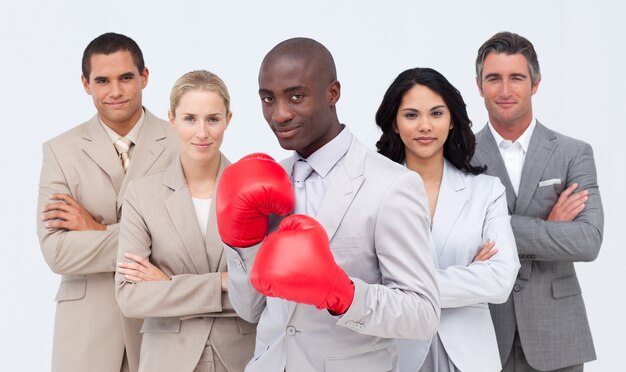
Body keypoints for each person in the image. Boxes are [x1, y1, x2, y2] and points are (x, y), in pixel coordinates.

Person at [216, 37, 440, 372]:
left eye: (296, 96)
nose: (279, 114)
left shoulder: (391, 185)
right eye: (268, 98)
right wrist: (243, 245)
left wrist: (344, 295)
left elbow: (422, 315)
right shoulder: (267, 181)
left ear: (332, 93)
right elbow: (250, 310)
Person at [36, 32, 178, 372]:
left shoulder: (181, 142)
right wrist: (145, 236)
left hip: (161, 327)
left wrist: (95, 228)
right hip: (85, 335)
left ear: (144, 77)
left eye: (126, 78)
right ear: (86, 84)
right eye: (103, 80)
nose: (115, 92)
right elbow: (57, 252)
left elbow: (193, 239)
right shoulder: (60, 150)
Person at [473, 31, 604, 372]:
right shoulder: (461, 156)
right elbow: (454, 236)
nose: (504, 91)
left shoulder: (573, 152)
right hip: (481, 334)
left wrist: (495, 231)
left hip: (557, 336)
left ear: (535, 83)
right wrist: (549, 228)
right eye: (493, 79)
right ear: (479, 86)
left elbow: (588, 241)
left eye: (516, 78)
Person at [375, 67, 520, 372]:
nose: (425, 126)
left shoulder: (486, 191)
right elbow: (364, 279)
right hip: (397, 352)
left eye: (436, 114)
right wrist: (470, 274)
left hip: (469, 355)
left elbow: (501, 280)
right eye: (411, 115)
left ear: (452, 120)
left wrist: (406, 288)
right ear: (394, 124)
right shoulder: (373, 192)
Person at [115, 70, 256, 372]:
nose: (202, 132)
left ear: (228, 120)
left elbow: (261, 294)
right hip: (167, 359)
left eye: (213, 119)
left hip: (241, 358)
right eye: (190, 119)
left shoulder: (254, 191)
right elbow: (130, 298)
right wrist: (222, 282)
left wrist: (168, 286)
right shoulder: (142, 195)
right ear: (172, 119)